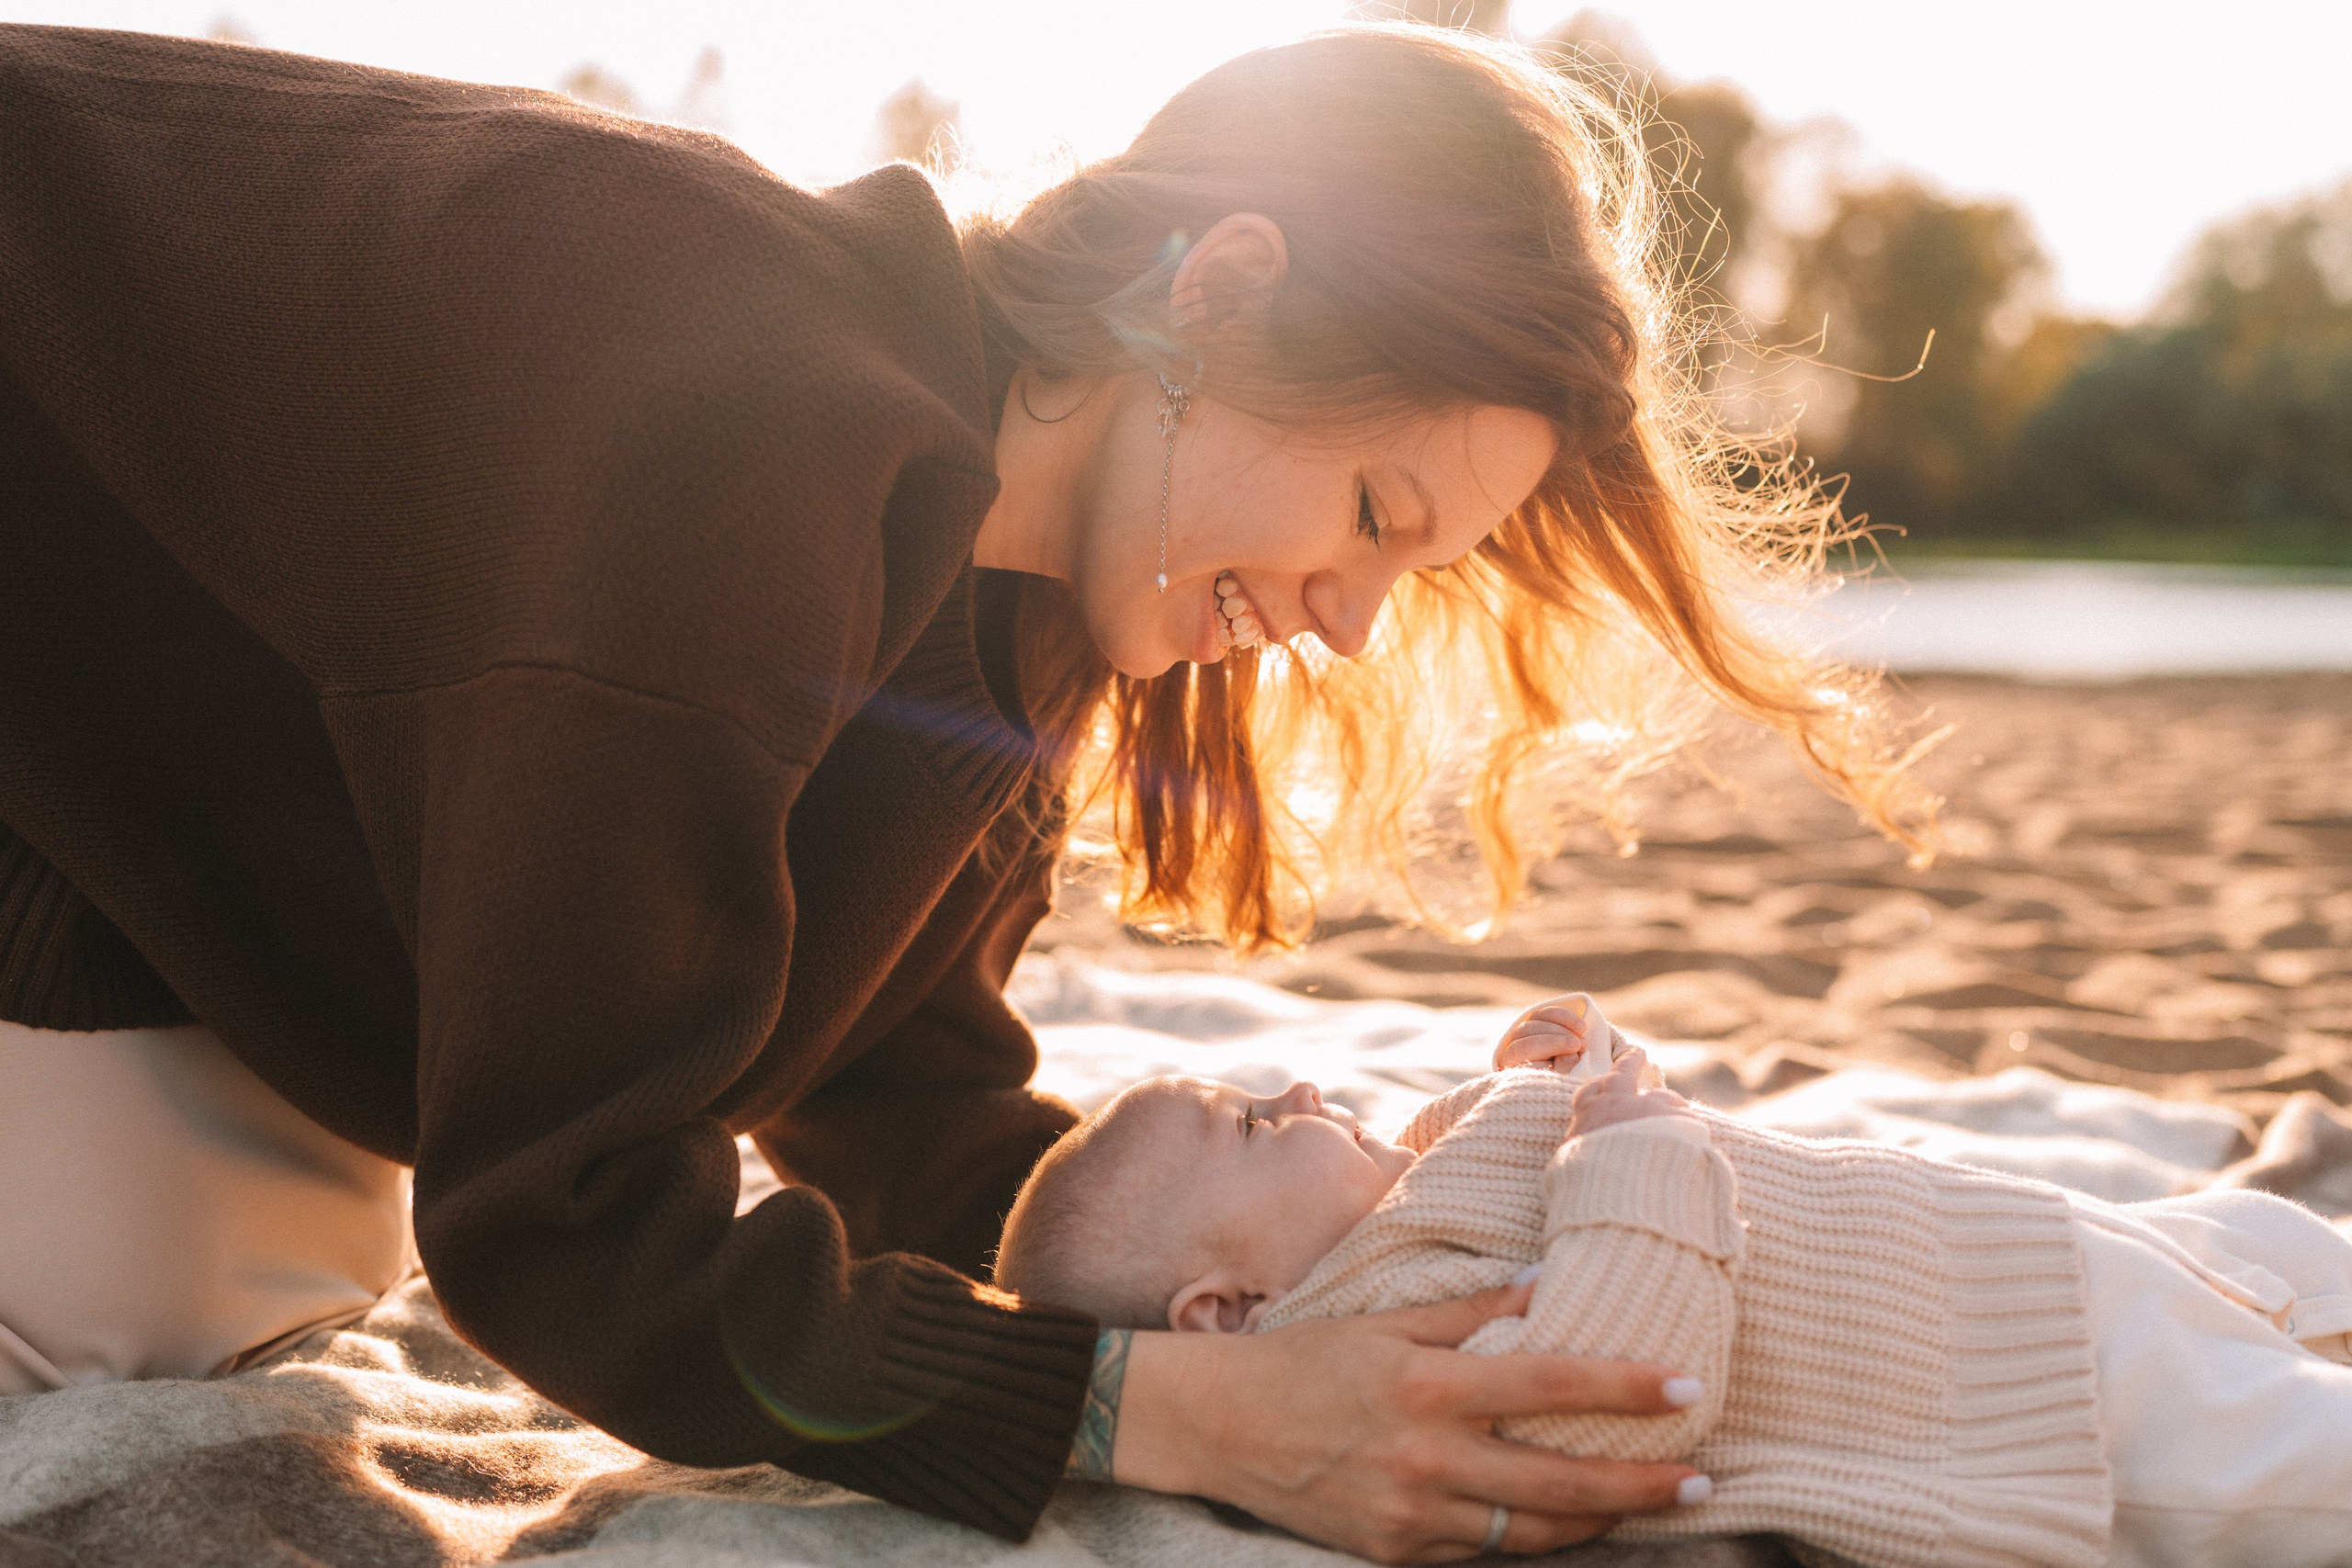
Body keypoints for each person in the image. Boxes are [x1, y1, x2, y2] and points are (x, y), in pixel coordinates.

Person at [0, 18, 1931, 1562]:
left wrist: (1312, 1295)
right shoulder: (746, 435)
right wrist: (1149, 1413)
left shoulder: (1012, 593)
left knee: (236, 1262)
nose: (1349, 623)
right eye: (1371, 510)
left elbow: (897, 1090)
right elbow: (563, 1220)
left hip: (163, 734)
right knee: (142, 1308)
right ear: (1220, 290)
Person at [997, 1003, 2352, 1568]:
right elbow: (1619, 1389)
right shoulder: (1382, 1348)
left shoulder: (1407, 1181)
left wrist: (1567, 1061)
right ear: (1227, 1312)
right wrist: (1626, 1154)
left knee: (2269, 1245)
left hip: (2019, 1250)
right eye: (1250, 1124)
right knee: (2296, 1453)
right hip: (2034, 1403)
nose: (1298, 1086)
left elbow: (1593, 1128)